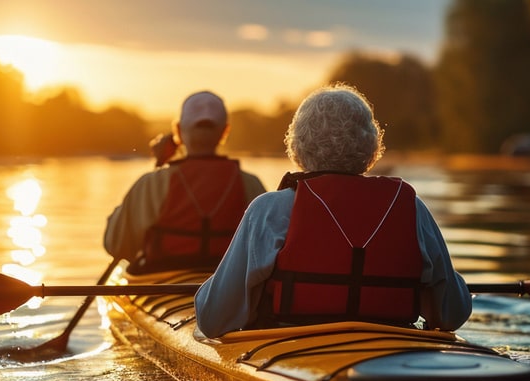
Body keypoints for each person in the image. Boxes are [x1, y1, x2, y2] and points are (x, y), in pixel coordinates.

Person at [194, 84, 471, 338]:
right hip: (392, 346)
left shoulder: (270, 210)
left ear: (298, 143)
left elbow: (212, 319)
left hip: (291, 348)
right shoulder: (412, 208)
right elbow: (453, 313)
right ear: (371, 143)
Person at [104, 91, 266, 274]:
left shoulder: (153, 184)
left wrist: (160, 164)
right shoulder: (251, 184)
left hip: (163, 286)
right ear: (224, 132)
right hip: (231, 288)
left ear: (178, 131)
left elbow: (116, 244)